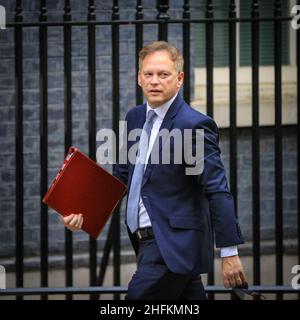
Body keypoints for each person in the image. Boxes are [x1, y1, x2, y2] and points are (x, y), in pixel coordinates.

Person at [62, 41, 246, 300]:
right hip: (148, 245)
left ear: (179, 78)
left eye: (163, 74)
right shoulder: (134, 118)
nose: (154, 81)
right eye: (148, 74)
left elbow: (217, 190)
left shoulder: (194, 126)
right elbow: (121, 179)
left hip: (171, 246)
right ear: (139, 78)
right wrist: (84, 213)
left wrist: (229, 253)